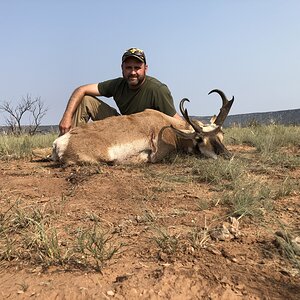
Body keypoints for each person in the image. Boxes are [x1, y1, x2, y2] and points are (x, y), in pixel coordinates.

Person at [59, 47, 181, 136]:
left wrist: (193, 130)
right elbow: (81, 89)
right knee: (86, 99)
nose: (133, 72)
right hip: (122, 126)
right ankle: (64, 145)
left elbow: (175, 119)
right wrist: (66, 117)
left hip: (145, 135)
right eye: (128, 67)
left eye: (137, 68)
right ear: (122, 68)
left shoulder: (157, 90)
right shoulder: (117, 84)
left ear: (146, 69)